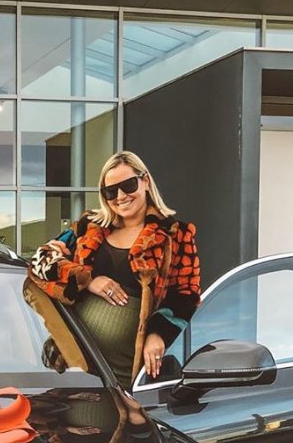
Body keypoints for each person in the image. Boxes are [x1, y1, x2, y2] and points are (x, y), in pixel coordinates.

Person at [27, 151, 201, 388]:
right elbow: (39, 261)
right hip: (72, 366)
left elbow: (186, 294)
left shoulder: (175, 235)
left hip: (124, 374)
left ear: (145, 181)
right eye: (110, 191)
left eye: (128, 186)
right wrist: (88, 280)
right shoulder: (88, 227)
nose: (120, 197)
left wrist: (159, 333)